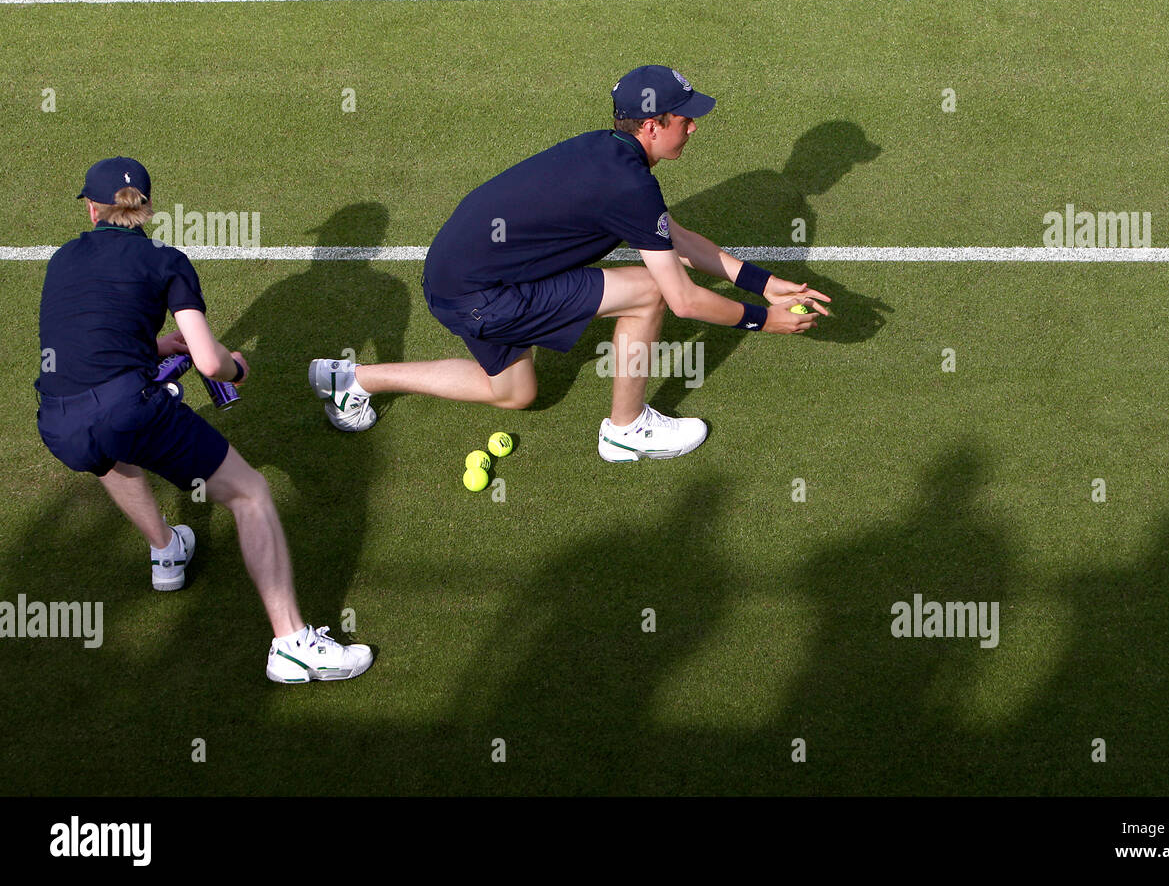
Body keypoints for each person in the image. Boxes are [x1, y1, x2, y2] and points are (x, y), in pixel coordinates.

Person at [310, 65, 831, 460]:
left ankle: (353, 380)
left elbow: (675, 236)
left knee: (513, 393)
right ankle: (626, 432)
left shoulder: (605, 151)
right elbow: (684, 299)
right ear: (653, 125)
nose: (693, 128)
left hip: (458, 273)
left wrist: (761, 283)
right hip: (481, 294)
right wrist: (765, 320)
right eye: (685, 118)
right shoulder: (629, 184)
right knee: (648, 292)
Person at [35, 156, 372, 684]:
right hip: (128, 408)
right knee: (250, 494)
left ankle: (166, 551)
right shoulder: (167, 260)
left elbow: (83, 346)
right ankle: (293, 645)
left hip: (58, 422)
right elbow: (211, 363)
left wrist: (150, 347)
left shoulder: (61, 260)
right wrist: (236, 368)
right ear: (146, 208)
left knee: (105, 444)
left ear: (92, 208)